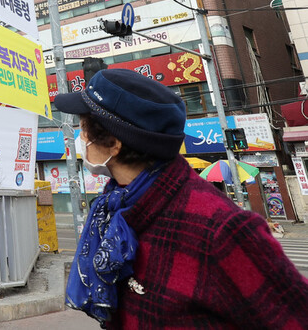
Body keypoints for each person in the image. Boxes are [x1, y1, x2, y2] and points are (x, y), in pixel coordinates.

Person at [55, 68, 308, 328]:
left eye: (84, 128)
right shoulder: (117, 206)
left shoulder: (221, 230)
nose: (80, 137)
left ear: (113, 143)